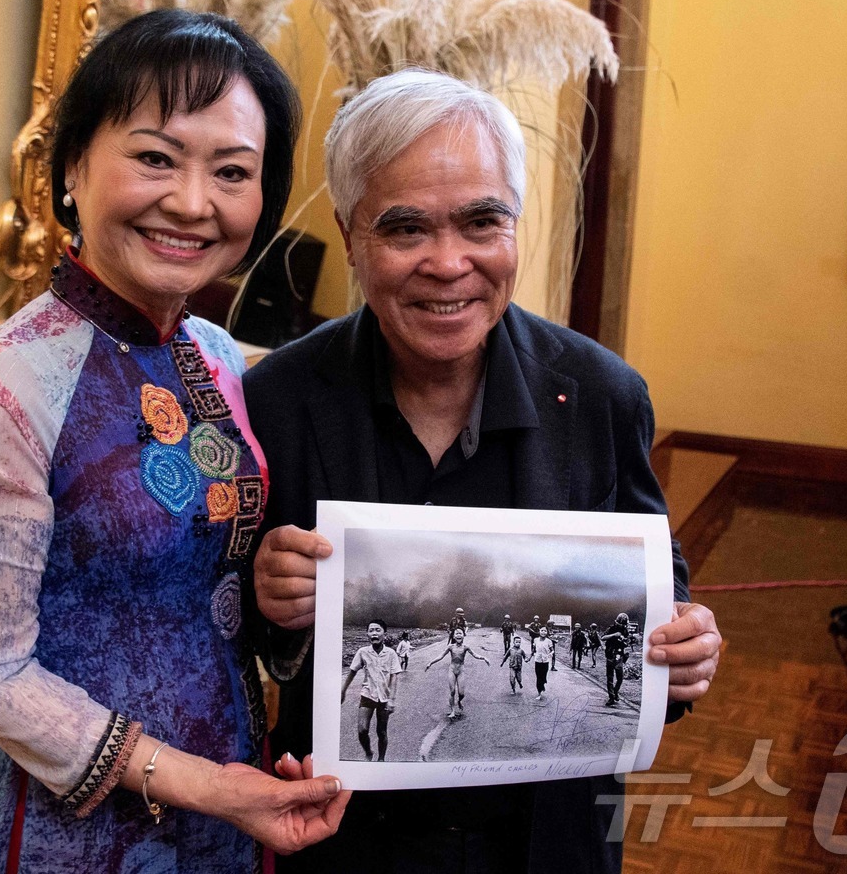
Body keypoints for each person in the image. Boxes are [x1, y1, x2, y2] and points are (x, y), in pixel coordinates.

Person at [246, 69, 721, 873]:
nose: (449, 262)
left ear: (516, 225)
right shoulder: (278, 401)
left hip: (550, 845)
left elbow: (660, 602)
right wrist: (270, 607)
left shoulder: (603, 396)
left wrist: (685, 653)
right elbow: (231, 635)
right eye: (404, 230)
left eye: (481, 222)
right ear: (350, 234)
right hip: (345, 847)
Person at [0, 10, 348, 873]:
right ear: (73, 167)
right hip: (79, 832)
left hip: (235, 800)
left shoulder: (221, 357)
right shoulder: (7, 382)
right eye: (155, 157)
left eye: (232, 171)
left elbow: (210, 581)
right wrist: (207, 784)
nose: (194, 203)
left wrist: (280, 593)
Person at [342, 619, 403, 761]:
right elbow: (352, 671)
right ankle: (368, 752)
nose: (374, 633)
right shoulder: (362, 652)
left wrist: (392, 700)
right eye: (371, 631)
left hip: (384, 698)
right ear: (367, 635)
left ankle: (381, 759)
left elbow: (394, 677)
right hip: (367, 695)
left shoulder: (391, 653)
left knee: (381, 732)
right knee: (362, 730)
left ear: (384, 634)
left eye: (377, 630)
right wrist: (343, 691)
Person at [425, 627, 489, 718]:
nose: (458, 635)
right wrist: (430, 663)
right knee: (452, 691)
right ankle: (452, 711)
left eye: (460, 634)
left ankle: (459, 701)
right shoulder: (450, 647)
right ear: (454, 637)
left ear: (463, 636)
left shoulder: (466, 647)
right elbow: (441, 656)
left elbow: (475, 655)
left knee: (461, 693)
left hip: (461, 670)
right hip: (452, 669)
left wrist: (484, 658)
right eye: (456, 634)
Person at [601, 614, 632, 706]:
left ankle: (615, 692)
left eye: (624, 624)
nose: (623, 626)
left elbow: (627, 642)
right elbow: (603, 638)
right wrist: (614, 635)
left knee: (620, 677)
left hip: (619, 656)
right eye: (622, 624)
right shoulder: (611, 629)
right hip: (610, 655)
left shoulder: (625, 631)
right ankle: (611, 697)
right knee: (610, 677)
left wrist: (625, 641)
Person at [531, 628, 555, 701]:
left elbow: (552, 650)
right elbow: (533, 649)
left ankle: (543, 683)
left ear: (547, 632)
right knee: (538, 677)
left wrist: (551, 654)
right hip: (537, 660)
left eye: (545, 631)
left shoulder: (549, 641)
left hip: (545, 661)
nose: (543, 632)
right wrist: (530, 656)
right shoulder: (535, 640)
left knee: (543, 676)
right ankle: (539, 693)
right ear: (539, 631)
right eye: (542, 631)